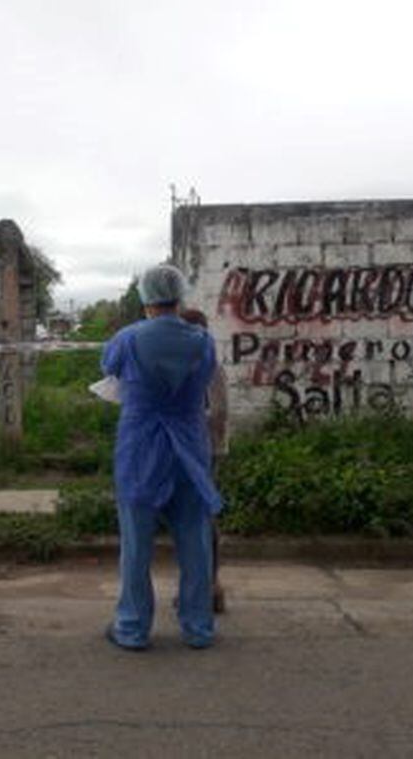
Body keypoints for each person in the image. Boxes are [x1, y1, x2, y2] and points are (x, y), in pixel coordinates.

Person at [103, 264, 223, 651]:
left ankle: (133, 628)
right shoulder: (203, 341)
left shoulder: (127, 338)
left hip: (140, 446)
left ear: (146, 299)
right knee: (195, 540)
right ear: (179, 296)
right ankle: (198, 627)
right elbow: (206, 380)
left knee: (137, 544)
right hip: (189, 444)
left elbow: (110, 371)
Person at [180, 308, 229, 614]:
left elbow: (219, 412)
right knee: (191, 517)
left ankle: (210, 585)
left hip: (206, 449)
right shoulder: (193, 362)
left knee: (203, 519)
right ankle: (198, 586)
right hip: (193, 448)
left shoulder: (209, 365)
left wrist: (185, 423)